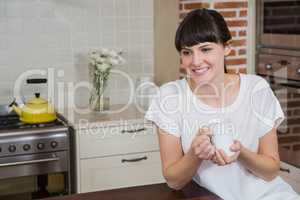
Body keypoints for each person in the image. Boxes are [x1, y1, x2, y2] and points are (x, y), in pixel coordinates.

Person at [145, 8, 299, 200]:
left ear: (226, 47)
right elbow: (174, 181)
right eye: (187, 52)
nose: (195, 61)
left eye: (206, 49)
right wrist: (195, 154)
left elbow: (271, 171)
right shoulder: (170, 96)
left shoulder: (256, 89)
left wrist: (241, 153)